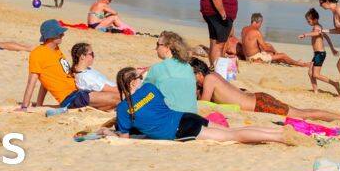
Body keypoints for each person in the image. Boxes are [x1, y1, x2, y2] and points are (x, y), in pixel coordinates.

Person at [110, 67, 301, 145]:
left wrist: (109, 133)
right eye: (139, 77)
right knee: (234, 130)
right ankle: (278, 131)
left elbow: (125, 139)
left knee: (232, 136)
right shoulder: (150, 89)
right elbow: (157, 108)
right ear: (133, 82)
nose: (142, 79)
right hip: (186, 117)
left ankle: (280, 137)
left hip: (181, 129)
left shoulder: (123, 109)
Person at [190, 58, 340, 123]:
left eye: (192, 76)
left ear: (199, 73)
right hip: (257, 99)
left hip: (259, 104)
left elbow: (204, 104)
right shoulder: (213, 75)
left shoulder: (209, 79)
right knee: (301, 112)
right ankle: (337, 116)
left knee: (301, 115)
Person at [18, 20, 115, 111]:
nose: (63, 35)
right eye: (59, 33)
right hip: (71, 98)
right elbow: (31, 82)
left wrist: (39, 105)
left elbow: (45, 81)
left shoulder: (56, 50)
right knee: (117, 97)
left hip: (79, 92)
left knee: (114, 100)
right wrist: (24, 106)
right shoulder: (37, 53)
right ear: (50, 36)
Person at [143, 31, 198, 113]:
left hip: (169, 115)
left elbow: (144, 92)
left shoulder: (157, 68)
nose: (156, 48)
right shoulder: (188, 67)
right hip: (191, 114)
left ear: (167, 47)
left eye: (158, 44)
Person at [66, 42, 120, 110]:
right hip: (111, 96)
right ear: (82, 56)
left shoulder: (84, 70)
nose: (94, 56)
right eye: (92, 54)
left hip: (110, 93)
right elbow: (112, 90)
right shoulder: (86, 76)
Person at [297, 8, 340, 94]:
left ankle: (335, 83)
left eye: (309, 21)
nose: (308, 23)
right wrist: (332, 48)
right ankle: (315, 91)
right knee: (310, 73)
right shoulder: (318, 27)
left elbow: (316, 33)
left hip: (320, 54)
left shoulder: (317, 27)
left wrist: (305, 35)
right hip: (317, 54)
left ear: (315, 19)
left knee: (316, 74)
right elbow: (327, 37)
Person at [240, 13, 308, 67]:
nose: (260, 26)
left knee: (271, 50)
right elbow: (265, 48)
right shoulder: (256, 32)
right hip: (256, 58)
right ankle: (300, 64)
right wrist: (274, 50)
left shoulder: (244, 29)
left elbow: (249, 43)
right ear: (257, 22)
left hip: (248, 57)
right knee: (282, 55)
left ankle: (292, 62)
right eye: (260, 23)